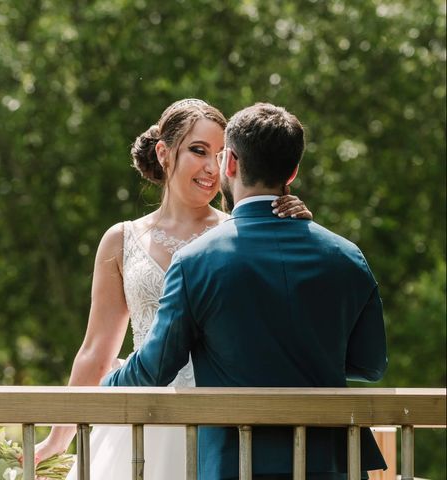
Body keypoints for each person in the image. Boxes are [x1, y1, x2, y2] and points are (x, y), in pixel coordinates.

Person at [102, 102, 388, 479]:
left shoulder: (194, 261)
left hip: (235, 463)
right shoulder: (348, 257)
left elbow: (155, 367)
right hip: (330, 465)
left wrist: (105, 388)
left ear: (230, 163)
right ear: (293, 171)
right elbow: (371, 365)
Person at [33, 99, 313, 480]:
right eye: (198, 151)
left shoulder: (242, 233)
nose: (212, 168)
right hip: (138, 424)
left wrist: (294, 227)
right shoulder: (121, 240)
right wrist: (57, 438)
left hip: (220, 428)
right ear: (164, 153)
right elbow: (96, 351)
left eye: (220, 154)